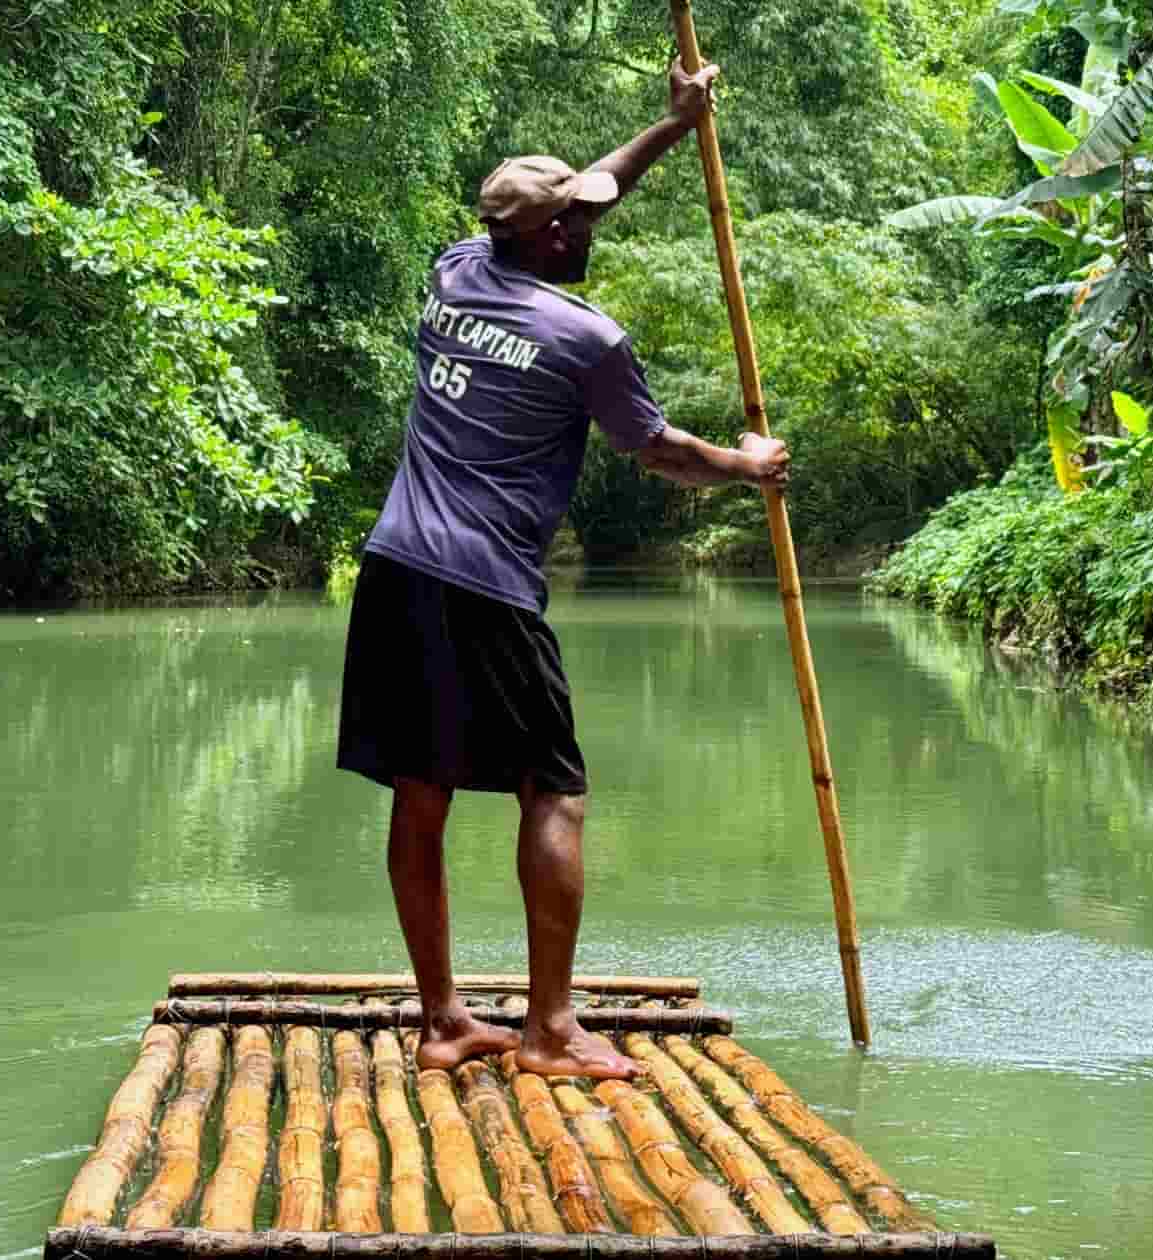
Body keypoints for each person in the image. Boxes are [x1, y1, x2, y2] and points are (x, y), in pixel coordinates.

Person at [336, 60, 788, 1080]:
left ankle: (443, 1020)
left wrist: (673, 128)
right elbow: (662, 451)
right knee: (557, 791)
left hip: (395, 565)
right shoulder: (586, 339)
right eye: (577, 224)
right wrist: (749, 467)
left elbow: (589, 187)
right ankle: (547, 1032)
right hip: (485, 584)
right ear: (547, 240)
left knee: (421, 791)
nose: (591, 227)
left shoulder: (456, 268)